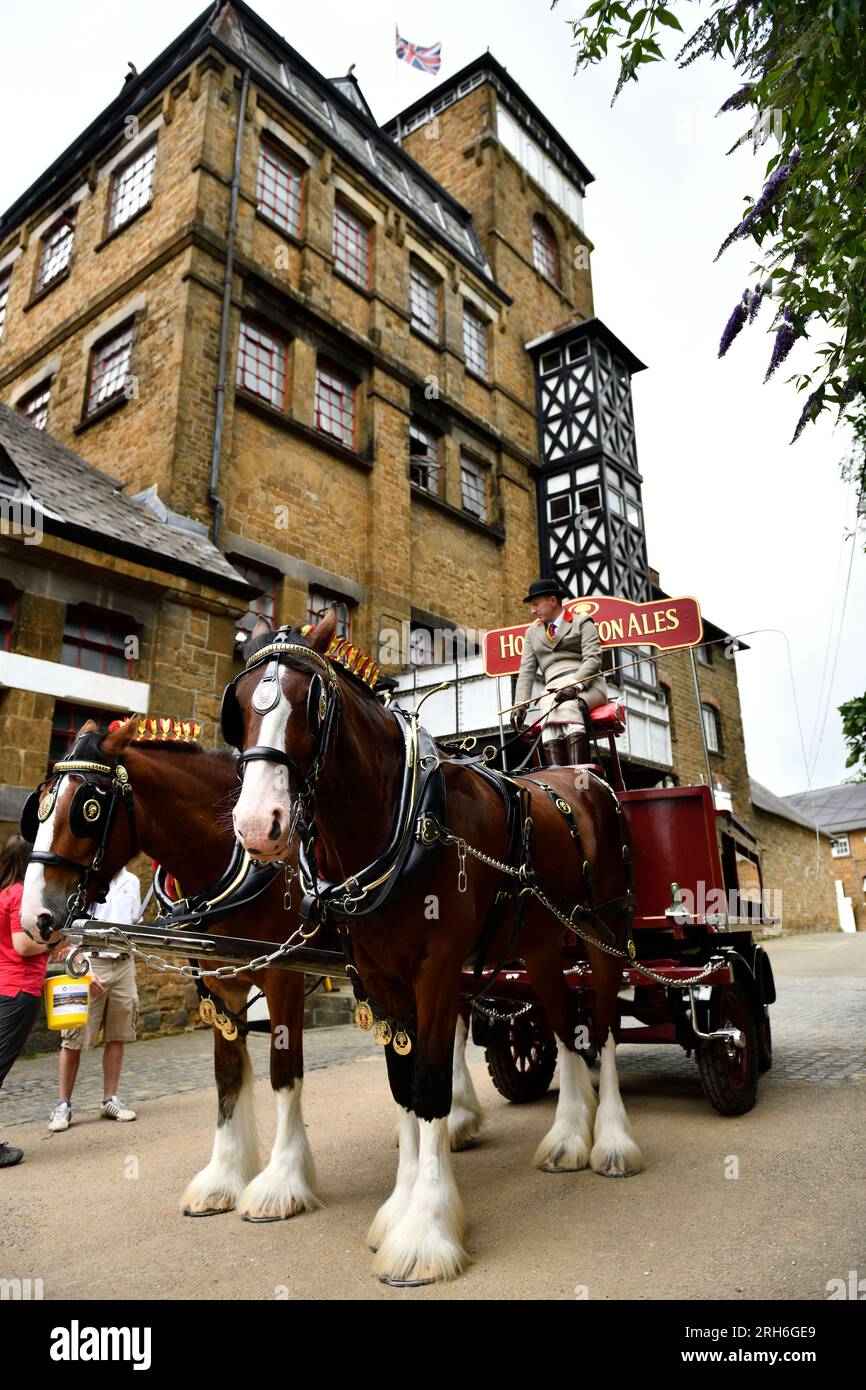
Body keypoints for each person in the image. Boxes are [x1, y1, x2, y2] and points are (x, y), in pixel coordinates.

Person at [48, 866, 141, 1131]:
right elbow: (67, 932)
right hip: (90, 964)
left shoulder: (133, 882)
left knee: (118, 1034)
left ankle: (109, 1099)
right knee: (73, 1037)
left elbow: (132, 923)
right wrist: (82, 967)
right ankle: (63, 1105)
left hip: (124, 964)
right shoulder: (85, 880)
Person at [0, 834, 66, 1167]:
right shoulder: (17, 896)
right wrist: (55, 944)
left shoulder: (2, 893)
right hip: (17, 990)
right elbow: (23, 946)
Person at [511, 578, 609, 766]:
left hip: (588, 685)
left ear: (553, 601)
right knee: (547, 710)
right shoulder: (531, 633)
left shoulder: (582, 622)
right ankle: (561, 781)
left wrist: (575, 685)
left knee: (567, 706)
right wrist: (520, 703)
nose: (533, 611)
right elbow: (527, 670)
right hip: (553, 690)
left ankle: (580, 775)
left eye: (536, 604)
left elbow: (593, 659)